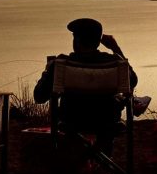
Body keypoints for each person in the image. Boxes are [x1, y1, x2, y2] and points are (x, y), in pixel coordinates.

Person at [34, 18, 138, 155]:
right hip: (107, 121)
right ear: (98, 41)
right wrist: (116, 49)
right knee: (107, 123)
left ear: (76, 40)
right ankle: (104, 161)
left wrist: (47, 71)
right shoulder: (114, 62)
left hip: (71, 121)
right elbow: (133, 81)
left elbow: (39, 96)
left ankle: (77, 160)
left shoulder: (61, 64)